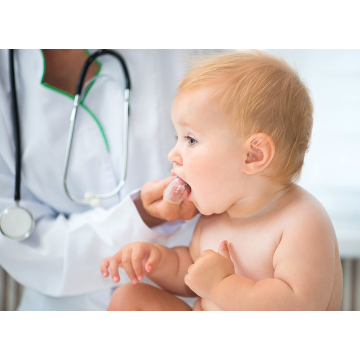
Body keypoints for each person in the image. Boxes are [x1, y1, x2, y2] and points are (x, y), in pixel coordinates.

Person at [101, 50, 343, 310]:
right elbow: (192, 271)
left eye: (191, 140)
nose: (173, 154)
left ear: (253, 156)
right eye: (178, 139)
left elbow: (297, 308)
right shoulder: (216, 214)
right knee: (128, 298)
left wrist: (221, 285)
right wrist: (156, 260)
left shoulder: (302, 221)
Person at [0, 49, 204, 311]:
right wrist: (138, 216)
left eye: (189, 140)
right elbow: (19, 244)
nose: (174, 152)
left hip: (186, 292)